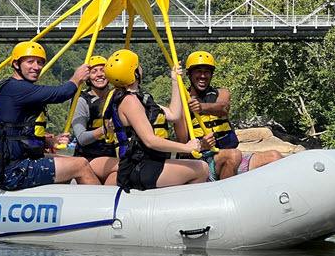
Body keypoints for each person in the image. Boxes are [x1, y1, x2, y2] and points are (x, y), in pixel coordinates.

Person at [0, 41, 101, 190]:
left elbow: (16, 134)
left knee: (69, 161)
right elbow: (61, 94)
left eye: (39, 62)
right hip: (14, 172)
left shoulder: (8, 87)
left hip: (6, 168)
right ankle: (106, 211)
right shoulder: (17, 88)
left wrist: (49, 143)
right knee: (81, 164)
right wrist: (77, 78)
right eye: (30, 62)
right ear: (16, 64)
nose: (36, 67)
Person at [102, 49, 209, 191]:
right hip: (138, 168)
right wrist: (187, 147)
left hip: (148, 163)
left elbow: (174, 114)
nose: (141, 68)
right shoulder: (130, 102)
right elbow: (150, 141)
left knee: (197, 167)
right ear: (134, 73)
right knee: (202, 168)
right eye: (138, 66)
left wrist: (175, 80)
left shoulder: (139, 100)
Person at [175, 51, 282, 180]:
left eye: (207, 71)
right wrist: (202, 146)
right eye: (198, 71)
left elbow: (223, 108)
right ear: (188, 74)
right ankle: (223, 195)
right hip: (200, 162)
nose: (203, 75)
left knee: (274, 156)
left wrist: (201, 107)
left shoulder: (222, 93)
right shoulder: (181, 103)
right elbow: (182, 150)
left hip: (228, 158)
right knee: (233, 154)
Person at [72, 55, 118, 183]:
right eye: (94, 71)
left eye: (102, 70)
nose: (99, 75)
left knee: (119, 175)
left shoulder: (118, 97)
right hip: (88, 159)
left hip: (112, 158)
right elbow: (81, 138)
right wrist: (105, 129)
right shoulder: (82, 101)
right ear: (88, 78)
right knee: (123, 166)